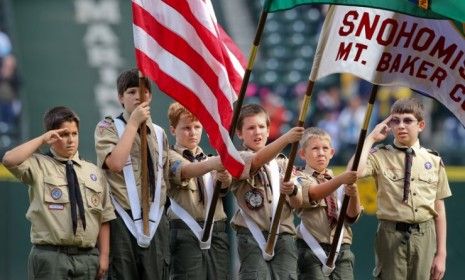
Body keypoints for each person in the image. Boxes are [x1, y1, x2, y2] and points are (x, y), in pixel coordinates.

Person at [2, 106, 115, 280]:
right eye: (63, 134)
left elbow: (105, 218)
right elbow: (9, 160)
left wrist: (104, 256)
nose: (70, 140)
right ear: (51, 136)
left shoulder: (94, 172)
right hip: (51, 257)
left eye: (74, 133)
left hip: (87, 258)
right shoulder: (39, 165)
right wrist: (41, 140)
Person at [356, 98, 451, 280]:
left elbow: (439, 208)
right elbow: (355, 172)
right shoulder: (380, 155)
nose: (401, 126)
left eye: (407, 120)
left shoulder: (434, 160)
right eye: (395, 120)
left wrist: (441, 254)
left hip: (425, 234)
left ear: (421, 125)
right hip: (390, 233)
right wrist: (370, 140)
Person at [94, 68, 170, 279]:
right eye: (131, 92)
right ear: (120, 98)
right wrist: (134, 122)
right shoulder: (108, 127)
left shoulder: (159, 133)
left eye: (144, 91)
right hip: (123, 217)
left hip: (155, 219)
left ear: (151, 96)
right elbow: (116, 164)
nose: (138, 96)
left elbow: (166, 177)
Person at [230, 103, 304, 280]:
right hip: (252, 236)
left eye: (262, 127)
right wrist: (285, 139)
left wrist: (292, 190)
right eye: (251, 128)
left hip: (284, 236)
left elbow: (298, 203)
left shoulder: (283, 162)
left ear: (269, 130)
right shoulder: (238, 159)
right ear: (239, 133)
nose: (257, 132)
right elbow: (256, 160)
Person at [167, 102, 231, 279]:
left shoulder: (209, 160)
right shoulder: (169, 157)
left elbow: (224, 189)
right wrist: (217, 163)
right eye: (186, 127)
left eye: (197, 127)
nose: (193, 132)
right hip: (185, 231)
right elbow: (186, 170)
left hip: (217, 231)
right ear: (173, 130)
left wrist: (225, 180)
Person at [289, 127, 359, 279]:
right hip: (311, 249)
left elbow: (352, 216)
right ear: (303, 154)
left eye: (325, 148)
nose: (321, 153)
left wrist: (353, 193)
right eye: (315, 148)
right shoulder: (299, 177)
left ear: (332, 153)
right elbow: (314, 193)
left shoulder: (339, 181)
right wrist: (341, 180)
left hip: (342, 248)